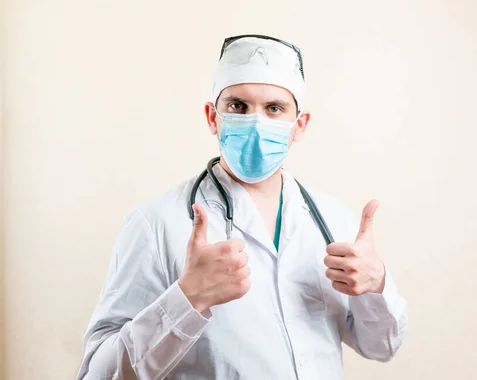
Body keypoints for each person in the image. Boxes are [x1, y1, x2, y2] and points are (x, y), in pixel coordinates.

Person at [76, 34, 408, 380]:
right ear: (212, 117)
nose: (256, 122)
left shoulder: (333, 219)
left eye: (274, 108)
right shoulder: (155, 223)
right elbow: (97, 375)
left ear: (300, 126)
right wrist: (187, 299)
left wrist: (377, 285)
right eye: (238, 106)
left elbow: (382, 346)